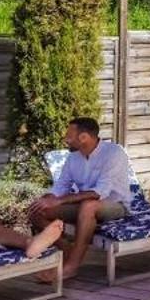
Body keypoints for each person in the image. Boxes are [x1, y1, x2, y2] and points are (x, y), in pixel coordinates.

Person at [27, 118, 135, 281]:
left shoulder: (114, 153)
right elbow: (61, 186)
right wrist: (47, 199)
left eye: (69, 136)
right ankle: (68, 249)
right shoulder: (73, 158)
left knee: (88, 205)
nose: (65, 139)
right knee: (37, 209)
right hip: (84, 205)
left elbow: (100, 192)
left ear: (83, 137)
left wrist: (61, 201)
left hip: (116, 205)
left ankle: (71, 267)